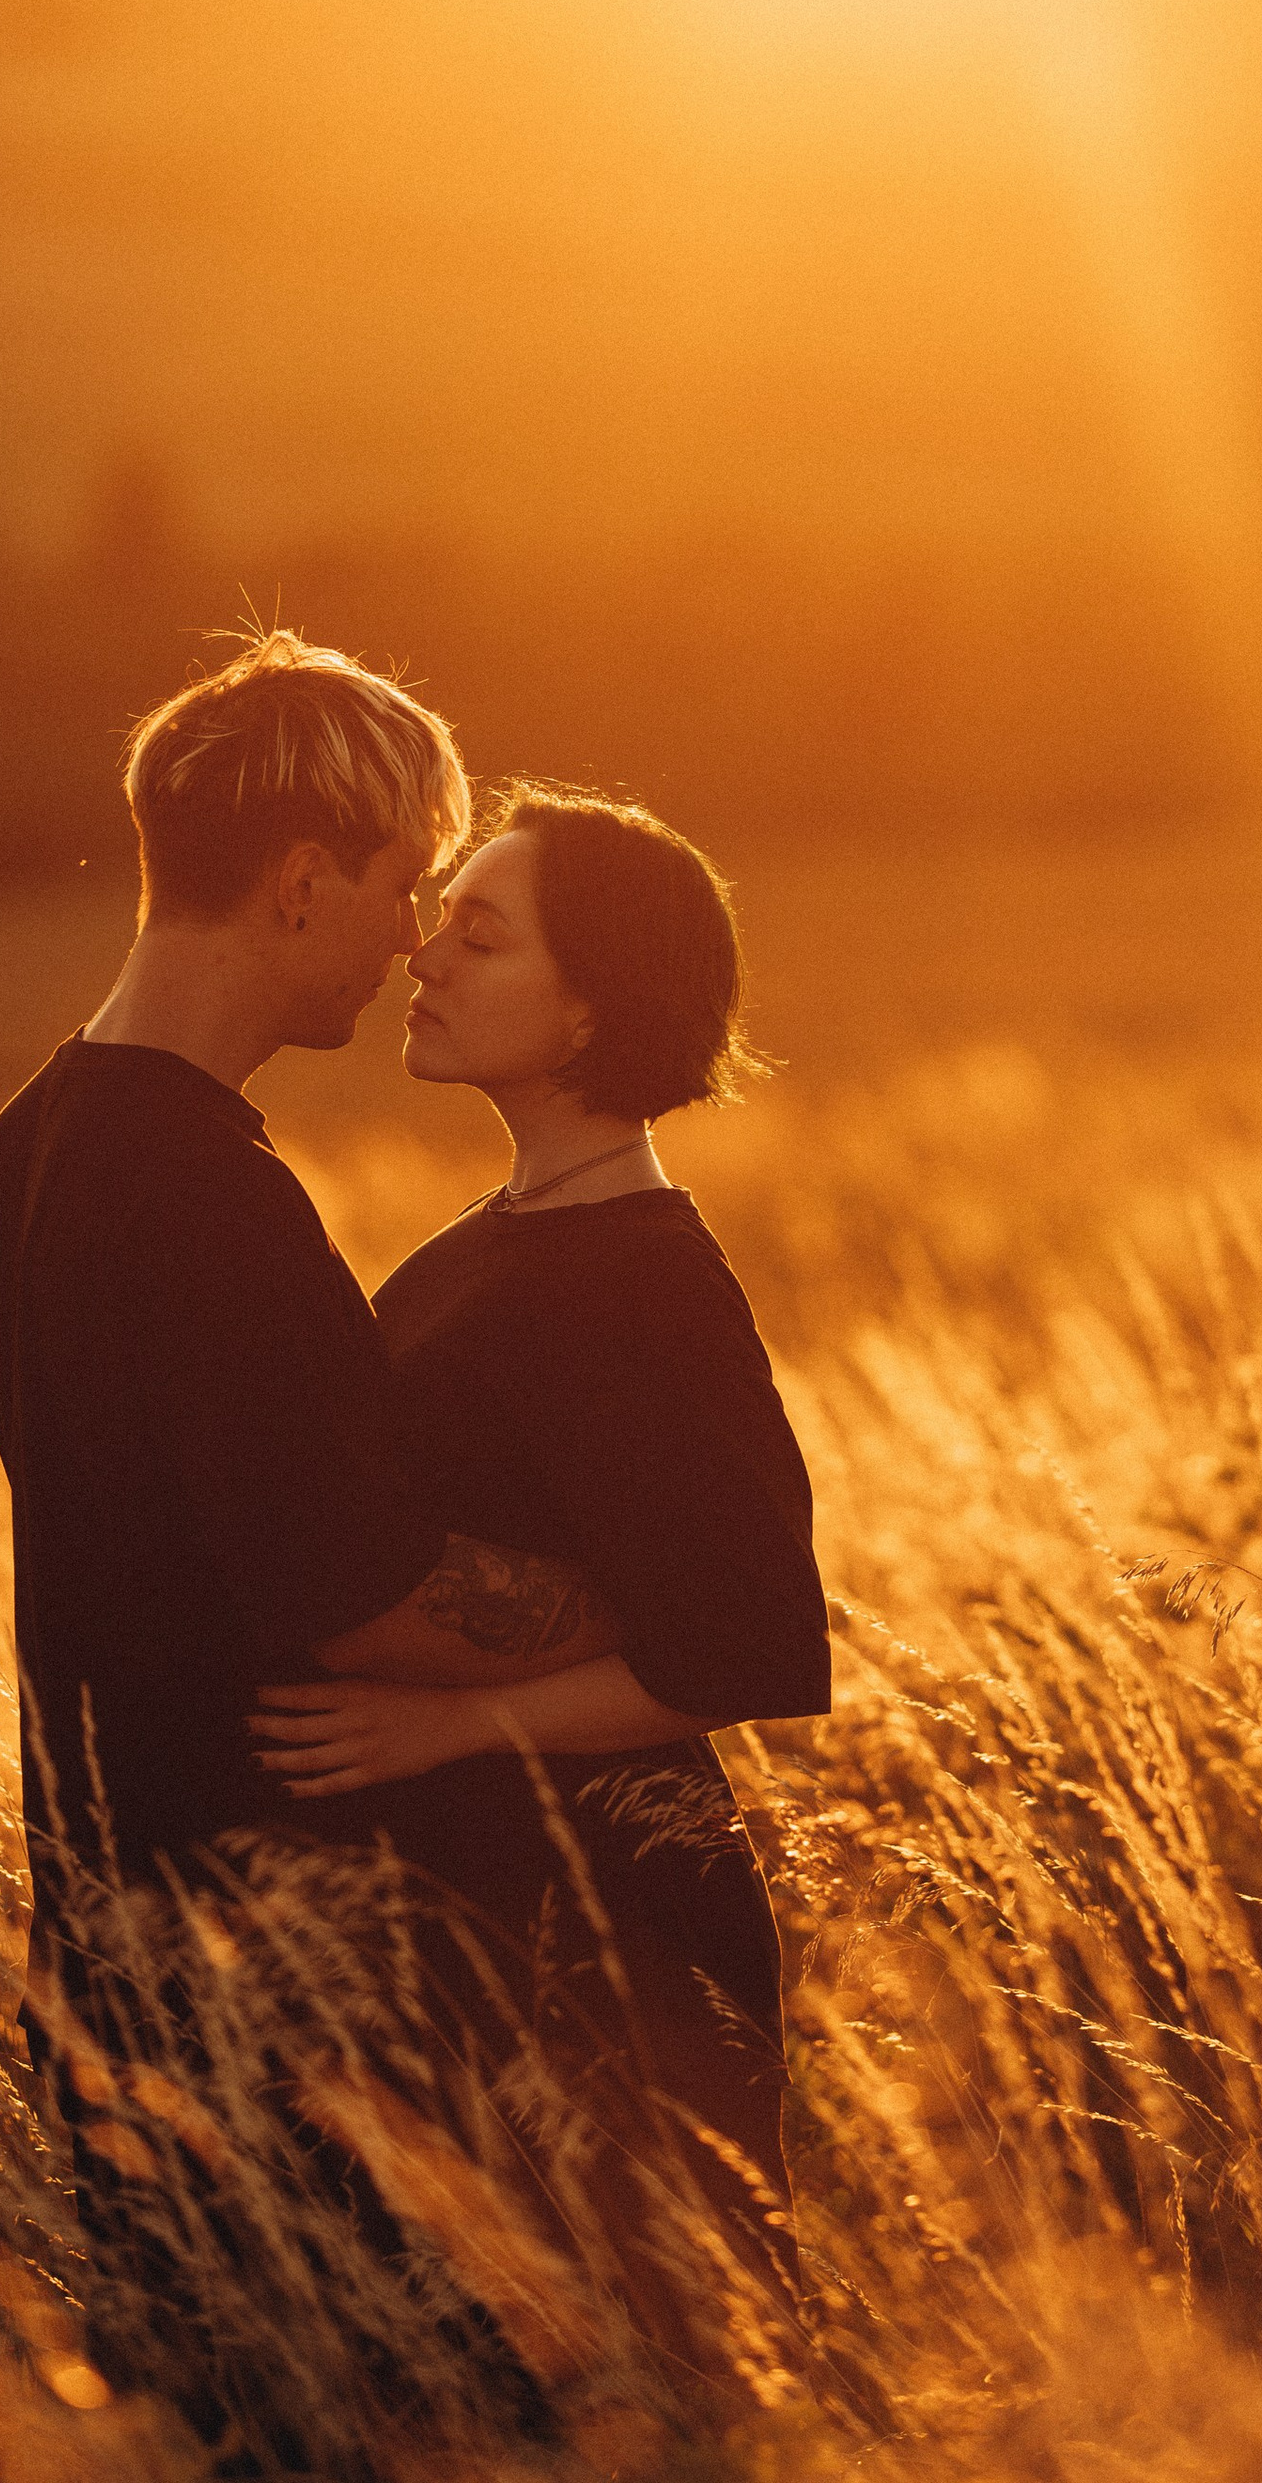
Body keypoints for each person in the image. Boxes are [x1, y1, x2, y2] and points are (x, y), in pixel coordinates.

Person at [0, 631, 621, 2447]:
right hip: (277, 1989)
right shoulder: (201, 1197)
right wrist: (633, 1622)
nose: (420, 934)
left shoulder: (37, 1142)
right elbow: (367, 1602)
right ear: (306, 880)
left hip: (116, 1941)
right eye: (411, 884)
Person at [249, 785, 832, 2366]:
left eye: (482, 933)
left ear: (593, 1004)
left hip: (615, 1937)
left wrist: (440, 1730)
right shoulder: (494, 1238)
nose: (426, 953)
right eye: (443, 916)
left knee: (644, 2375)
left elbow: (753, 1643)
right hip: (489, 1923)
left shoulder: (646, 1289)